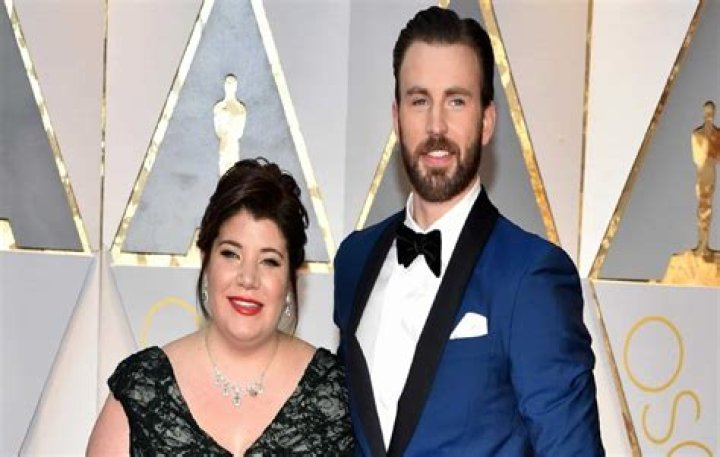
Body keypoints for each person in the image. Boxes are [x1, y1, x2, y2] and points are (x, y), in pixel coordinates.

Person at [333, 7, 604, 456]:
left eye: (456, 101)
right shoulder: (353, 261)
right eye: (420, 100)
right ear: (396, 117)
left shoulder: (531, 276)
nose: (436, 126)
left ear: (487, 121)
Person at [88, 158, 354, 455]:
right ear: (206, 260)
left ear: (291, 278)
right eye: (231, 254)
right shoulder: (140, 390)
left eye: (269, 261)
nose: (248, 279)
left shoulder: (339, 396)